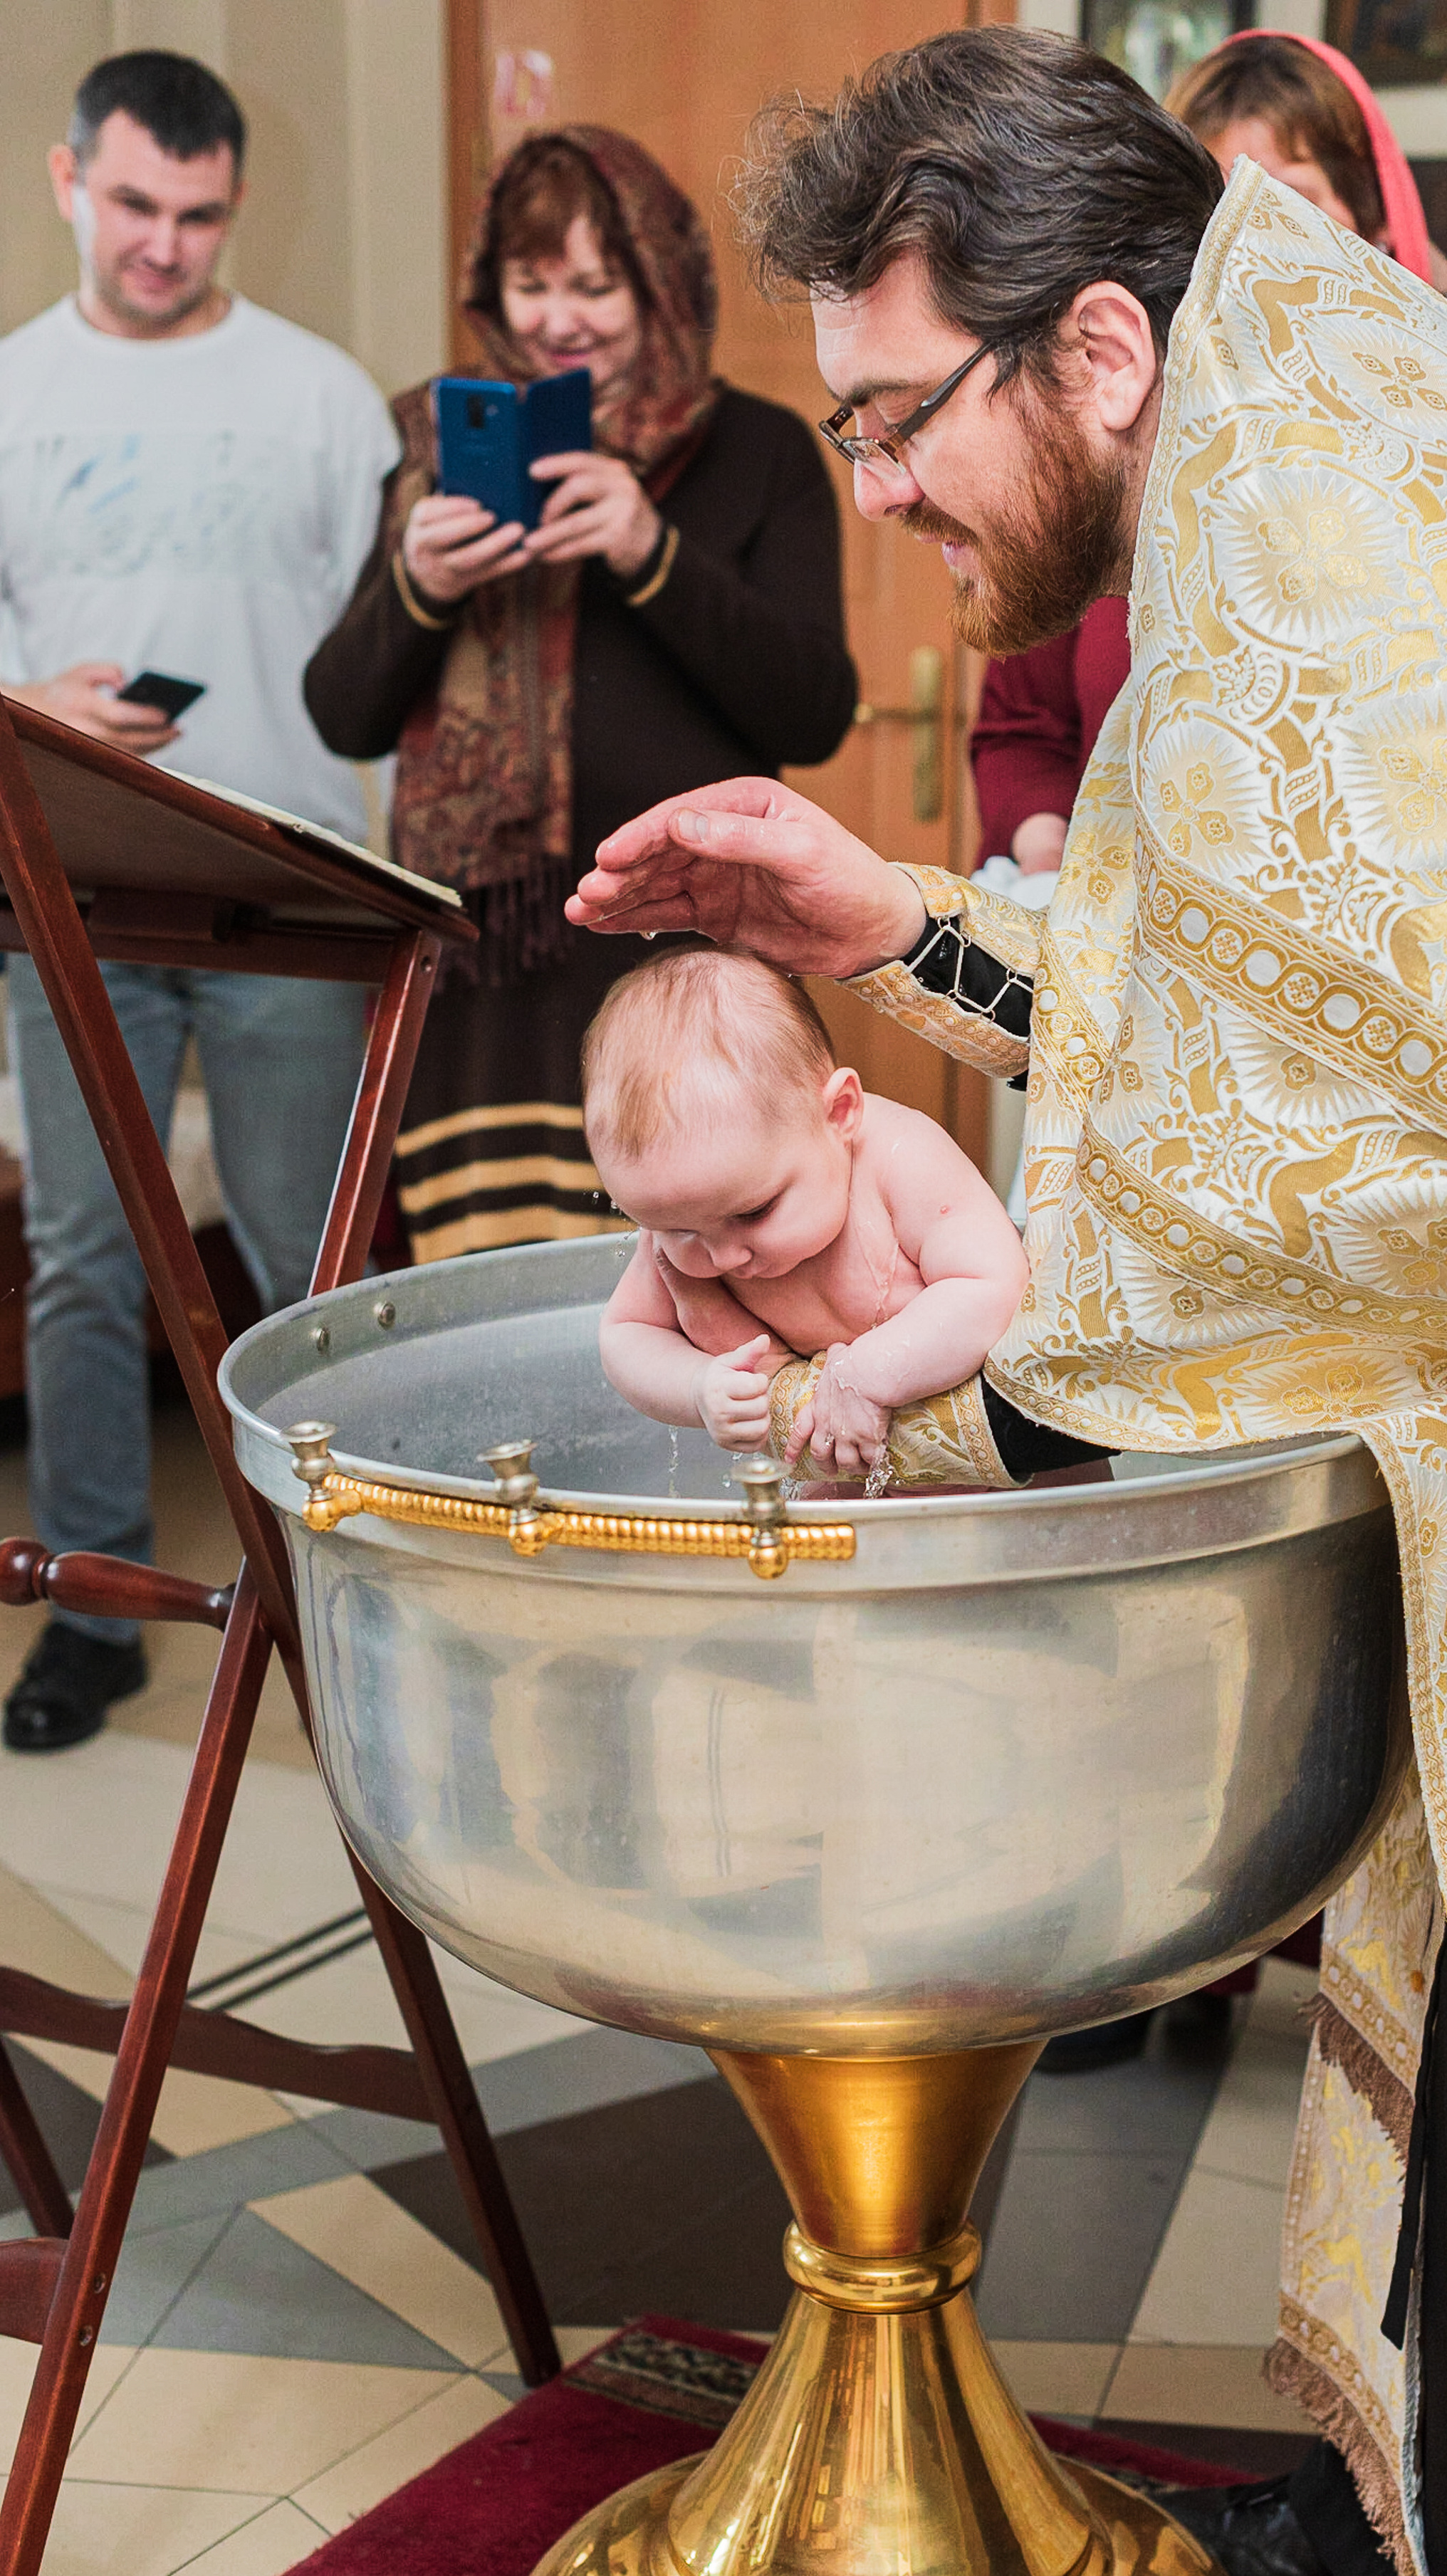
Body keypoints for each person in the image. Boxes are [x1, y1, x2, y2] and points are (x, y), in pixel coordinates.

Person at [565, 30, 1447, 2576]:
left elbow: (1196, 1234)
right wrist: (882, 912)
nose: (875, 488)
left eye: (896, 416)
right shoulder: (1319, 415)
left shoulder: (1308, 566)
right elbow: (1250, 1020)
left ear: (1093, 357)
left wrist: (873, 1421)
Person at [0, 51, 397, 1753]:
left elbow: (381, 660)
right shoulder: (8, 393)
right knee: (86, 1253)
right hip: (72, 888)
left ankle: (345, 1610)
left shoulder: (323, 398)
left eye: (201, 216)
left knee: (310, 1275)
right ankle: (93, 1608)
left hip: (283, 887)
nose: (167, 245)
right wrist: (40, 720)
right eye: (138, 206)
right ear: (67, 181)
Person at [305, 128, 856, 1272]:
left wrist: (651, 551)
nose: (561, 318)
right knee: (493, 1314)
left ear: (657, 281)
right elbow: (342, 714)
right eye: (532, 283)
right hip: (484, 986)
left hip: (687, 960)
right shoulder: (433, 455)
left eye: (596, 285)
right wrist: (423, 585)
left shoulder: (755, 452)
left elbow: (811, 708)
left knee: (708, 1288)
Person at [971, 28, 1447, 889]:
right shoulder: (1105, 436)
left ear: (1375, 228)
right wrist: (1052, 856)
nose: (1246, 239)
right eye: (1211, 207)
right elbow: (1021, 728)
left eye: (1290, 202)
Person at [588, 946, 1027, 1470]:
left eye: (754, 1213)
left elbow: (997, 1288)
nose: (724, 1257)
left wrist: (868, 1373)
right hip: (843, 1482)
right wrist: (697, 1386)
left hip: (1009, 1466)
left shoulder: (900, 1161)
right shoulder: (692, 1210)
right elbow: (626, 1336)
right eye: (676, 1230)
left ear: (840, 1113)